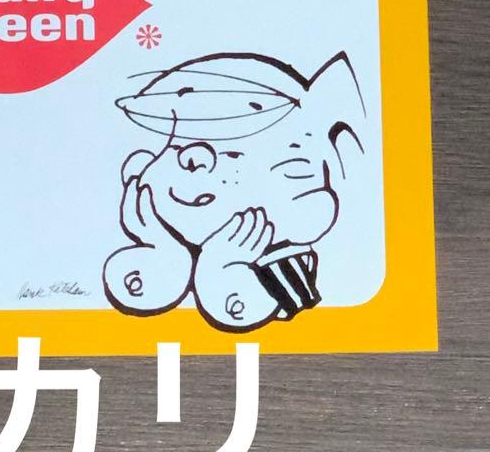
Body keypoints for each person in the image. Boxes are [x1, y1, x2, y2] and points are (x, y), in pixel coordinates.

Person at [102, 52, 365, 332]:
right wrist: (164, 250)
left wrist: (220, 265)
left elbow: (251, 311)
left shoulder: (287, 260)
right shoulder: (155, 237)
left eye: (233, 154)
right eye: (176, 145)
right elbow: (138, 293)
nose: (192, 158)